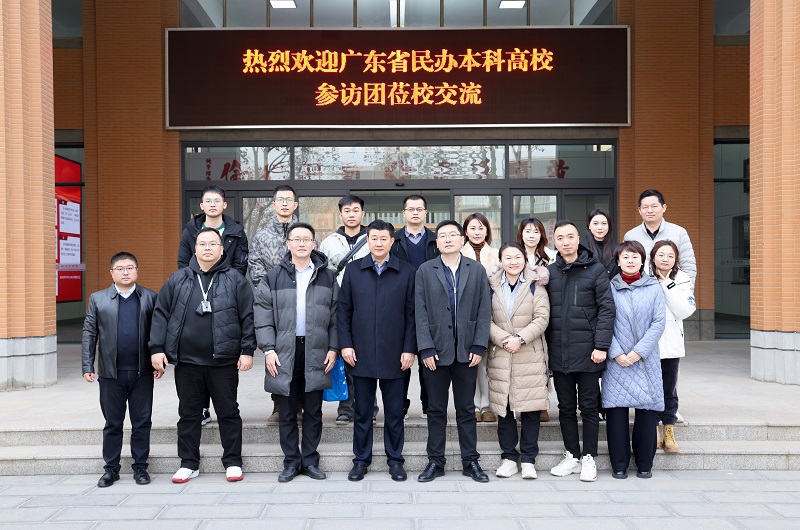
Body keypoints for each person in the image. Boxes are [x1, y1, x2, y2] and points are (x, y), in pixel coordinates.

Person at [150, 227, 256, 484]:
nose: (207, 248)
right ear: (195, 249)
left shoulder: (236, 279)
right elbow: (161, 313)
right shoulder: (178, 279)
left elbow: (248, 316)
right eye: (202, 244)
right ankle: (188, 463)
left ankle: (232, 461)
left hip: (223, 361)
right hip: (187, 362)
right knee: (188, 413)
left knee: (228, 412)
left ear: (222, 249)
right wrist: (156, 348)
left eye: (213, 244)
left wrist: (247, 350)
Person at [254, 222, 338, 483]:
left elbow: (336, 317)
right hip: (283, 351)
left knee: (313, 410)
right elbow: (262, 317)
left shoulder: (328, 276)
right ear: (288, 244)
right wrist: (268, 349)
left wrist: (333, 347)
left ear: (314, 243)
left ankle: (310, 461)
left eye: (306, 239)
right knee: (287, 411)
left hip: (317, 350)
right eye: (296, 239)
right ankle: (291, 462)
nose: (302, 243)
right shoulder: (272, 277)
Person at [338, 219, 417, 482]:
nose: (379, 243)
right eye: (374, 238)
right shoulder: (353, 270)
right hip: (360, 354)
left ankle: (395, 460)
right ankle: (361, 460)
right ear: (367, 240)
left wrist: (409, 349)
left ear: (392, 241)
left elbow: (412, 314)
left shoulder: (406, 272)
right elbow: (343, 311)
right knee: (362, 412)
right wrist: (346, 344)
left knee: (394, 412)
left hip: (396, 355)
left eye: (384, 238)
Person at [415, 220, 492, 483]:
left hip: (467, 351)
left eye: (452, 235)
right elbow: (420, 311)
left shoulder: (476, 270)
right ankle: (435, 461)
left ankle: (470, 461)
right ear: (437, 242)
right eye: (442, 236)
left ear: (462, 239)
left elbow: (484, 310)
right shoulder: (425, 270)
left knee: (466, 409)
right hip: (435, 351)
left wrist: (479, 344)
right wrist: (425, 347)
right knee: (436, 409)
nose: (447, 239)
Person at [545, 220, 615, 482]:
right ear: (555, 242)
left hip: (588, 352)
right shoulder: (549, 272)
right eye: (560, 238)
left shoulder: (595, 269)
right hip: (559, 352)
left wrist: (601, 345)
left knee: (588, 408)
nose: (565, 242)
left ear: (578, 239)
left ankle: (589, 458)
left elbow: (606, 309)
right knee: (565, 408)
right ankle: (572, 455)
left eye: (570, 236)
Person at [82, 252, 157, 487]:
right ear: (112, 273)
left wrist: (159, 360)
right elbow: (89, 333)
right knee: (113, 423)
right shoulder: (98, 299)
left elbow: (158, 332)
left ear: (137, 271)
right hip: (110, 374)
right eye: (120, 268)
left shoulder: (150, 298)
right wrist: (87, 365)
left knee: (142, 422)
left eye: (130, 268)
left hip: (142, 372)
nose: (126, 272)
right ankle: (111, 469)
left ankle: (140, 468)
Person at [177, 184, 249, 427]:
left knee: (221, 348)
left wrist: (227, 284)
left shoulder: (236, 231)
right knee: (200, 349)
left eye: (217, 201)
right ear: (201, 205)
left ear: (224, 205)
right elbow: (183, 261)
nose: (212, 205)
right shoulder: (190, 230)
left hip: (227, 290)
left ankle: (222, 407)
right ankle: (202, 408)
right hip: (196, 289)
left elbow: (241, 262)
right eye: (208, 201)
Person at [603, 240, 666, 479]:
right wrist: (616, 353)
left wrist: (639, 352)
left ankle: (644, 464)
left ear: (642, 260)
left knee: (647, 412)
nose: (630, 261)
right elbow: (603, 321)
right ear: (618, 262)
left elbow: (658, 323)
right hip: (616, 359)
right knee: (616, 414)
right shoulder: (609, 287)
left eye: (635, 257)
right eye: (625, 257)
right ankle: (619, 464)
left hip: (645, 359)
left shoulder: (654, 287)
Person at [487, 242, 550, 480]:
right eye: (508, 258)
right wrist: (505, 339)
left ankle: (529, 459)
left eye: (517, 257)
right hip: (501, 353)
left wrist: (520, 339)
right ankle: (509, 458)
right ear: (500, 261)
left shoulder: (536, 284)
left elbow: (542, 318)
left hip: (529, 353)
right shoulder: (491, 286)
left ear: (525, 259)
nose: (513, 262)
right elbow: (485, 319)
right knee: (504, 409)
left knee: (531, 409)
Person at [249, 184, 299, 424]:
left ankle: (299, 404)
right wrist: (273, 290)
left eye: (289, 200)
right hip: (273, 302)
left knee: (301, 352)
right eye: (281, 199)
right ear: (274, 204)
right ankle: (278, 403)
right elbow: (255, 266)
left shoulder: (305, 232)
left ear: (295, 204)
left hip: (301, 301)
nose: (285, 203)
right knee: (275, 351)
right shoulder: (262, 236)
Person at [319, 194, 370, 427]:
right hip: (339, 304)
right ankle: (346, 407)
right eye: (347, 211)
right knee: (344, 354)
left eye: (356, 210)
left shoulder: (372, 238)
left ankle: (368, 406)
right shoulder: (329, 242)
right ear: (340, 215)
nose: (351, 214)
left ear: (363, 214)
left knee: (367, 357)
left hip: (368, 304)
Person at [391, 194, 440, 420]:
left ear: (425, 213)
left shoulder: (436, 240)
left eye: (419, 209)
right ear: (404, 213)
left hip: (431, 306)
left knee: (428, 359)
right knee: (401, 360)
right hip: (399, 307)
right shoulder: (393, 240)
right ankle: (400, 406)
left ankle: (428, 406)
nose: (415, 213)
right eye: (410, 209)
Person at [650, 240, 696, 453]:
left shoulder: (682, 278)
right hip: (648, 344)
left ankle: (669, 429)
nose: (665, 259)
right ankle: (653, 429)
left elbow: (684, 310)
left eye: (670, 255)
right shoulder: (645, 278)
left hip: (670, 343)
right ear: (653, 257)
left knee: (669, 388)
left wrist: (667, 284)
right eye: (661, 255)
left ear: (676, 259)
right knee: (651, 389)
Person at [460, 213, 500, 423]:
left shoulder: (497, 254)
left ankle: (489, 404)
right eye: (472, 228)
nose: (477, 232)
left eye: (481, 228)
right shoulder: (458, 253)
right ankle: (474, 404)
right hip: (466, 314)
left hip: (493, 313)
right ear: (465, 232)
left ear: (487, 231)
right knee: (472, 361)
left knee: (489, 362)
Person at [623, 189, 697, 286]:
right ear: (639, 210)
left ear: (664, 208)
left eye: (654, 206)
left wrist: (686, 290)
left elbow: (688, 266)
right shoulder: (630, 236)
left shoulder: (679, 232)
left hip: (671, 289)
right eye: (645, 207)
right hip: (640, 289)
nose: (649, 210)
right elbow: (624, 266)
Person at [581, 208, 620, 278]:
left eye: (604, 223)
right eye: (595, 223)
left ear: (609, 226)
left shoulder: (617, 248)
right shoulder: (581, 247)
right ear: (589, 226)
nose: (600, 227)